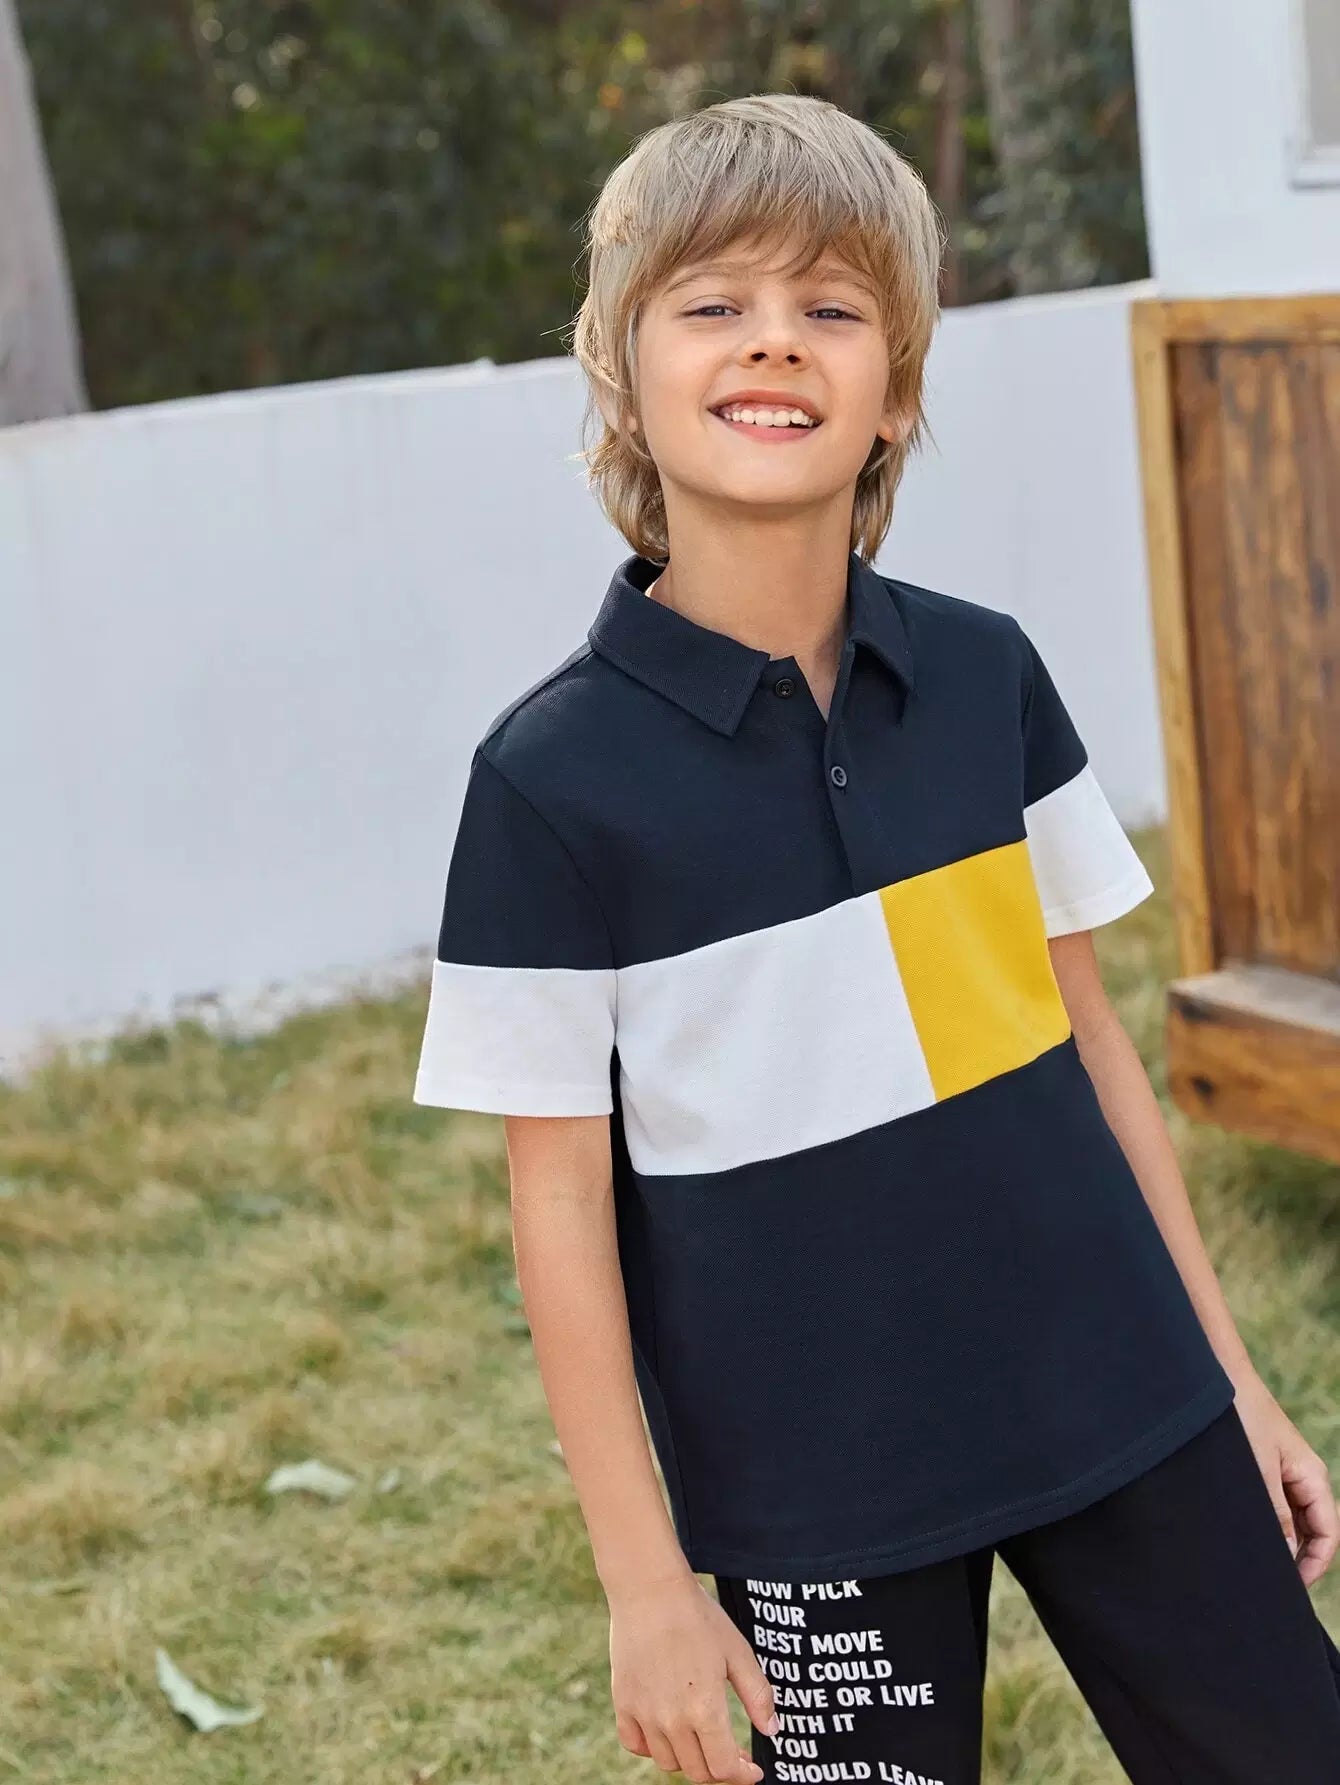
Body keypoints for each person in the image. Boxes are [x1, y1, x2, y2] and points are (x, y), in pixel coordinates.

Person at [411, 93, 1340, 1784]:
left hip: (1121, 1394)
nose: (775, 340)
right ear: (622, 371)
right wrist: (646, 1585)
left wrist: (1234, 1383)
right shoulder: (546, 783)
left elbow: (1094, 1049)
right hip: (810, 1491)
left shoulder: (986, 677)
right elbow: (558, 1206)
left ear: (896, 389)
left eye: (832, 308)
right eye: (715, 302)